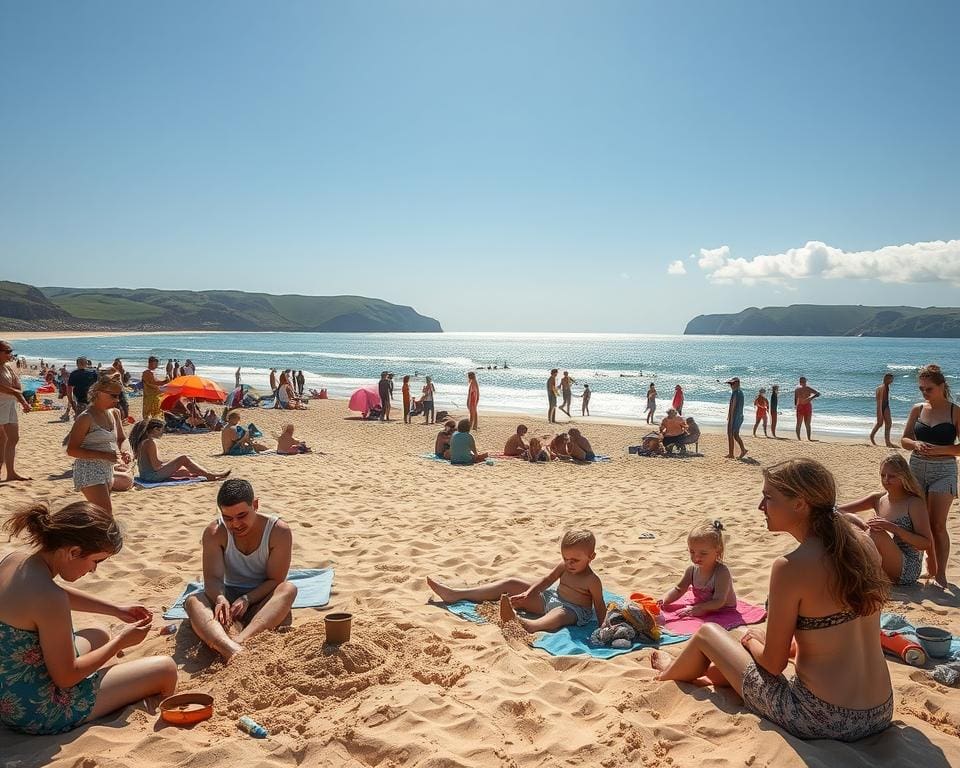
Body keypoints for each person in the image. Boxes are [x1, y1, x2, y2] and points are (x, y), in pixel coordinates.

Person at [650, 458, 893, 742]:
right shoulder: (860, 542)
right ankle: (708, 674)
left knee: (709, 634)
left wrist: (750, 641)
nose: (760, 507)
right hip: (880, 711)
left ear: (800, 504)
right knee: (742, 646)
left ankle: (668, 673)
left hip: (822, 718)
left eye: (768, 497)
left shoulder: (790, 566)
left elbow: (774, 664)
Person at [0, 500, 178, 735]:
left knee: (99, 634)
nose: (93, 570)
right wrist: (121, 642)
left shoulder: (17, 560)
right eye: (96, 561)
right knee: (165, 669)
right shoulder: (49, 599)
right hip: (37, 711)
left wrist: (116, 609)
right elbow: (65, 677)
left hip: (9, 691)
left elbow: (54, 594)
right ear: (73, 551)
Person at [183, 479, 297, 663]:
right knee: (193, 601)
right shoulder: (214, 532)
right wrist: (220, 598)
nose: (235, 524)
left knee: (288, 589)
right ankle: (228, 648)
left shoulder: (278, 531)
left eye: (242, 515)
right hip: (228, 594)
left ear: (256, 505)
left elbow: (275, 580)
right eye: (228, 518)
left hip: (262, 596)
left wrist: (247, 598)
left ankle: (240, 640)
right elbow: (212, 578)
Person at [427, 530, 605, 634]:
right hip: (552, 598)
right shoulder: (564, 566)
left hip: (574, 610)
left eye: (575, 560)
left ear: (591, 557)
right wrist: (530, 592)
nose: (569, 563)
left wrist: (603, 627)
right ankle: (455, 594)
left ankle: (527, 625)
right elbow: (547, 580)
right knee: (512, 583)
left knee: (559, 614)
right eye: (565, 558)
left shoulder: (592, 580)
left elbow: (599, 605)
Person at [901, 363, 960, 587]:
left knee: (937, 524)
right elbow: (904, 440)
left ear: (942, 386)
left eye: (929, 389)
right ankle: (930, 567)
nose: (924, 393)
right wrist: (916, 444)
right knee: (921, 523)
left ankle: (941, 573)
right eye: (921, 389)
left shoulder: (955, 411)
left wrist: (940, 450)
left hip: (944, 470)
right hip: (916, 468)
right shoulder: (917, 409)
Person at [838, 454, 931, 586]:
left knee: (876, 533)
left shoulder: (914, 503)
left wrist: (892, 528)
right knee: (848, 519)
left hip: (907, 568)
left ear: (903, 476)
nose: (886, 480)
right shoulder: (878, 498)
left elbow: (925, 543)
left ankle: (859, 574)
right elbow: (840, 510)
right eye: (883, 475)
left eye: (892, 476)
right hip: (882, 558)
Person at [66, 374, 131, 515]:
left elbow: (121, 438)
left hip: (107, 469)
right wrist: (105, 455)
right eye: (113, 396)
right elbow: (71, 450)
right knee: (105, 513)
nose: (117, 399)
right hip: (88, 469)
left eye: (118, 396)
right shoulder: (85, 417)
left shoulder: (115, 413)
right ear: (98, 393)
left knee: (98, 515)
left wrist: (125, 452)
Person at [659, 520, 737, 616]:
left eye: (703, 553)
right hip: (702, 605)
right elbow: (679, 589)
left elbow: (719, 601)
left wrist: (699, 608)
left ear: (718, 551)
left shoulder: (721, 572)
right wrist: (664, 600)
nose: (696, 557)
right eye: (692, 552)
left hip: (723, 609)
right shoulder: (691, 570)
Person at [130, 419, 230, 482]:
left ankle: (207, 473)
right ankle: (209, 475)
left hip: (145, 475)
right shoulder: (150, 442)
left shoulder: (143, 442)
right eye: (161, 430)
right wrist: (176, 462)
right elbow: (156, 466)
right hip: (151, 476)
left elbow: (154, 463)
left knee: (184, 471)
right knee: (184, 458)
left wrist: (173, 463)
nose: (163, 433)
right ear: (155, 429)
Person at [0, 340, 32, 482]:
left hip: (10, 405)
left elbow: (17, 386)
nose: (10, 354)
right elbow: (6, 388)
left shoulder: (8, 368)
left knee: (12, 438)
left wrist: (19, 396)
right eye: (7, 351)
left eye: (11, 351)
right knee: (3, 440)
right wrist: (19, 396)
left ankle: (11, 473)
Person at [870, 373, 896, 447]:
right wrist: (880, 413)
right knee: (879, 423)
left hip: (886, 406)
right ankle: (871, 437)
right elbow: (879, 402)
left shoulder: (887, 386)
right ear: (887, 379)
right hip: (881, 406)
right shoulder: (881, 388)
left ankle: (888, 442)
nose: (892, 381)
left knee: (889, 423)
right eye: (891, 379)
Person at [725, 377, 747, 459]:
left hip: (735, 417)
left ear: (737, 383)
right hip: (740, 417)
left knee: (730, 434)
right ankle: (743, 450)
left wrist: (730, 418)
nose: (731, 385)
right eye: (730, 384)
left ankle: (731, 454)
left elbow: (733, 407)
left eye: (732, 383)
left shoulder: (735, 393)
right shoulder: (740, 392)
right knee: (735, 435)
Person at [794, 376, 821, 441]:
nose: (803, 383)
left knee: (803, 424)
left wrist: (795, 406)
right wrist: (812, 397)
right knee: (803, 424)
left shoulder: (798, 389)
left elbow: (818, 393)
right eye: (803, 381)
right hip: (804, 406)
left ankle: (801, 438)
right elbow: (818, 393)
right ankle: (804, 438)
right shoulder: (801, 389)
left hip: (803, 406)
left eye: (803, 381)